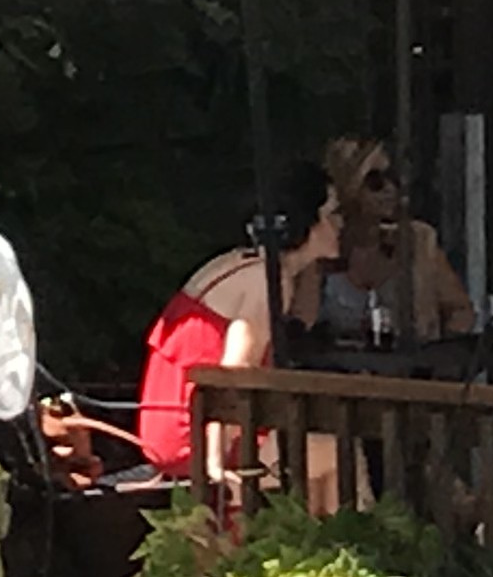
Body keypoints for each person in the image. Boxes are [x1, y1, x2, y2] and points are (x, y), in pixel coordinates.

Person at [136, 162, 344, 474]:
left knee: (321, 450)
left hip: (179, 423)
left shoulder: (245, 263)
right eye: (331, 214)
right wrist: (216, 466)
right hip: (193, 435)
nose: (340, 224)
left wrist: (309, 262)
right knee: (335, 452)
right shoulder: (268, 282)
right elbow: (235, 373)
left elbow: (305, 319)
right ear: (305, 221)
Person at [318, 134, 477, 346]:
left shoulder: (418, 242)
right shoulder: (323, 244)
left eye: (393, 178)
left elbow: (461, 311)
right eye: (375, 182)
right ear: (349, 186)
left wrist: (441, 360)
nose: (389, 189)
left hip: (406, 374)